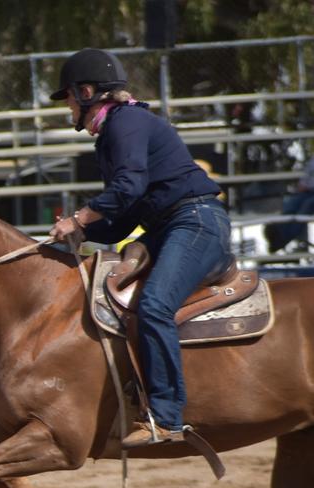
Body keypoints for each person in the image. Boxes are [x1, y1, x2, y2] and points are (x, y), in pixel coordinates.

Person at [47, 48, 231, 449]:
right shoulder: (119, 129)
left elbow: (127, 187)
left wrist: (78, 219)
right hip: (169, 227)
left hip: (194, 222)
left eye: (70, 99)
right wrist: (83, 235)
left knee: (154, 306)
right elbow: (126, 216)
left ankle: (167, 417)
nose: (69, 109)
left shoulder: (125, 123)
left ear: (88, 91)